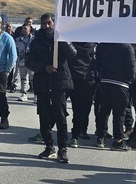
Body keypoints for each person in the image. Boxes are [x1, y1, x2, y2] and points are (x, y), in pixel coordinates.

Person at [26, 13, 76, 164]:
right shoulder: (36, 41)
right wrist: (43, 67)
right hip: (42, 83)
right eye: (44, 24)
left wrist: (62, 40)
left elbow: (73, 54)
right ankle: (49, 146)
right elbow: (29, 61)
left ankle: (62, 149)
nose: (47, 26)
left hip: (59, 83)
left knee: (60, 117)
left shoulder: (62, 38)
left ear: (54, 23)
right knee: (43, 117)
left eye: (49, 23)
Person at [92, 41, 136, 150]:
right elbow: (131, 66)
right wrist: (131, 79)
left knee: (104, 111)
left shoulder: (102, 45)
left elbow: (97, 63)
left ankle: (100, 137)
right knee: (119, 113)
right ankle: (118, 140)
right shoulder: (126, 46)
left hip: (105, 81)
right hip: (121, 83)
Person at [68, 41, 97, 147]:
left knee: (80, 110)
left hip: (85, 79)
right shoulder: (68, 41)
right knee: (58, 107)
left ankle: (77, 133)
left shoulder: (92, 44)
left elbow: (95, 61)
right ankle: (45, 131)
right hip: (69, 77)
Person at [14, 24, 34, 101]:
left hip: (31, 62)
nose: (23, 30)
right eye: (22, 29)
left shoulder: (34, 40)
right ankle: (23, 94)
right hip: (21, 62)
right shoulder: (18, 40)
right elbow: (16, 51)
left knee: (33, 78)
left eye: (25, 29)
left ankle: (35, 95)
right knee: (23, 78)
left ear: (29, 29)